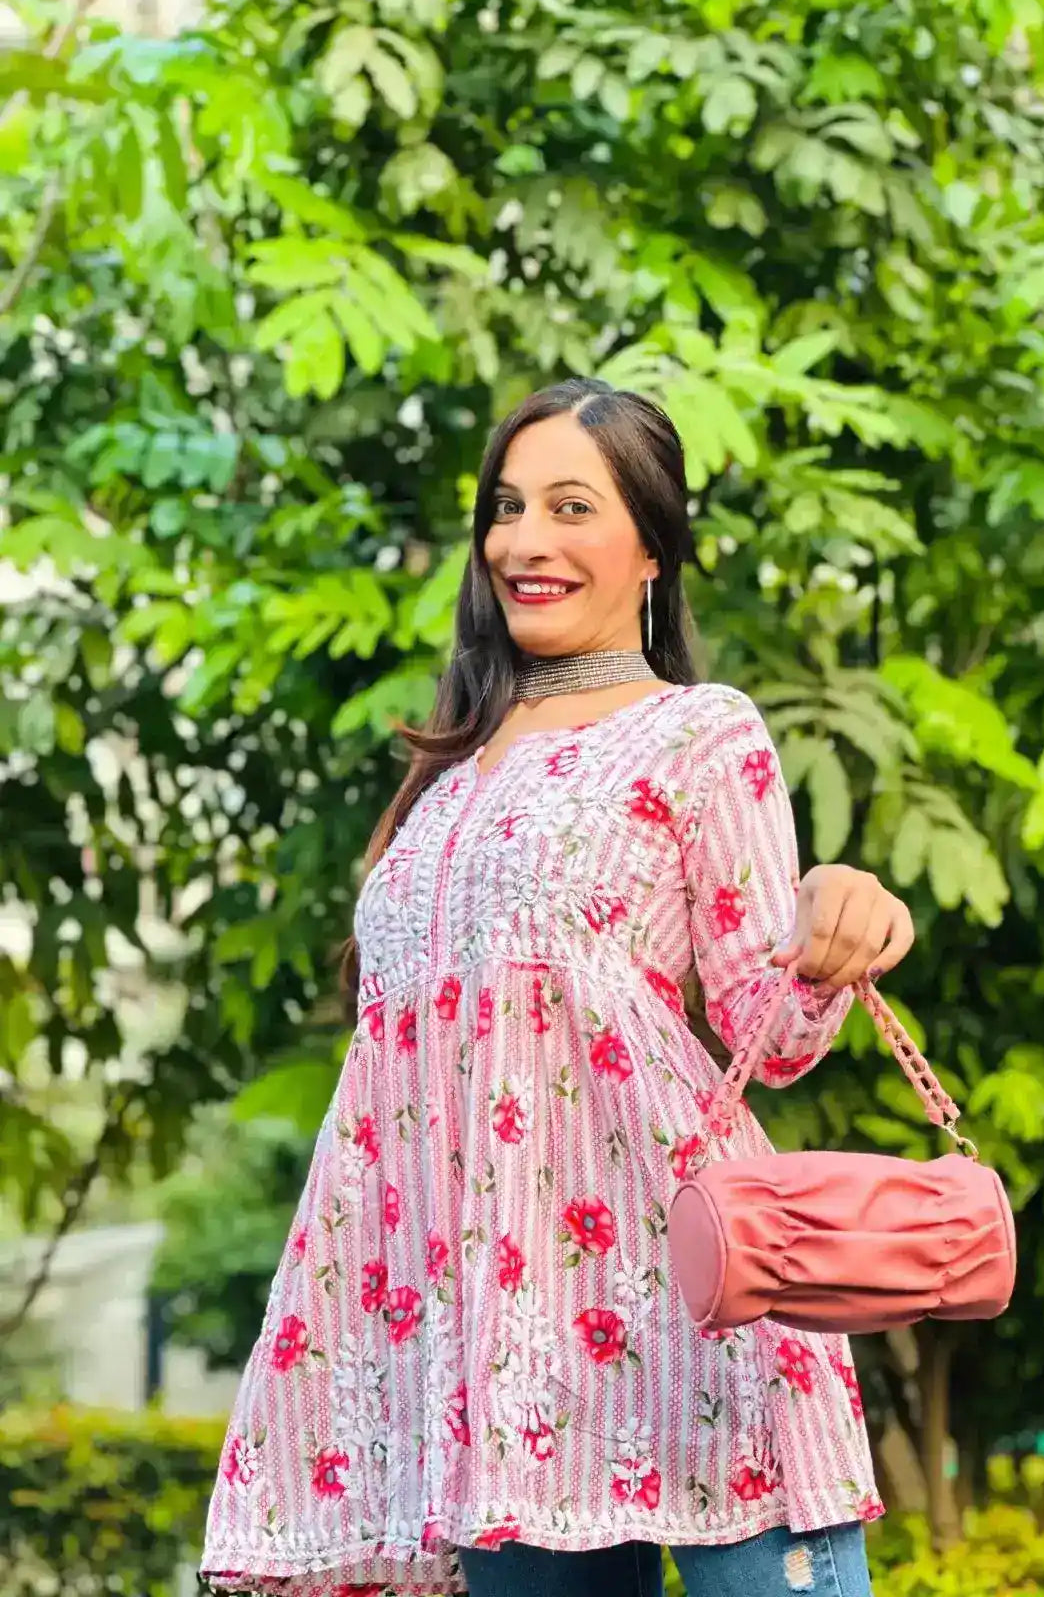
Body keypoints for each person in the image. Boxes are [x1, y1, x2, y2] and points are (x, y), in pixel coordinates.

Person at [200, 378, 914, 1597]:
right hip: (500, 1362)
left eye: (572, 507)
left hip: (686, 1312)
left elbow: (771, 1035)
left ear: (653, 544)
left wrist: (837, 922)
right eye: (507, 507)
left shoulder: (700, 732)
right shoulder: (447, 776)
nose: (525, 540)